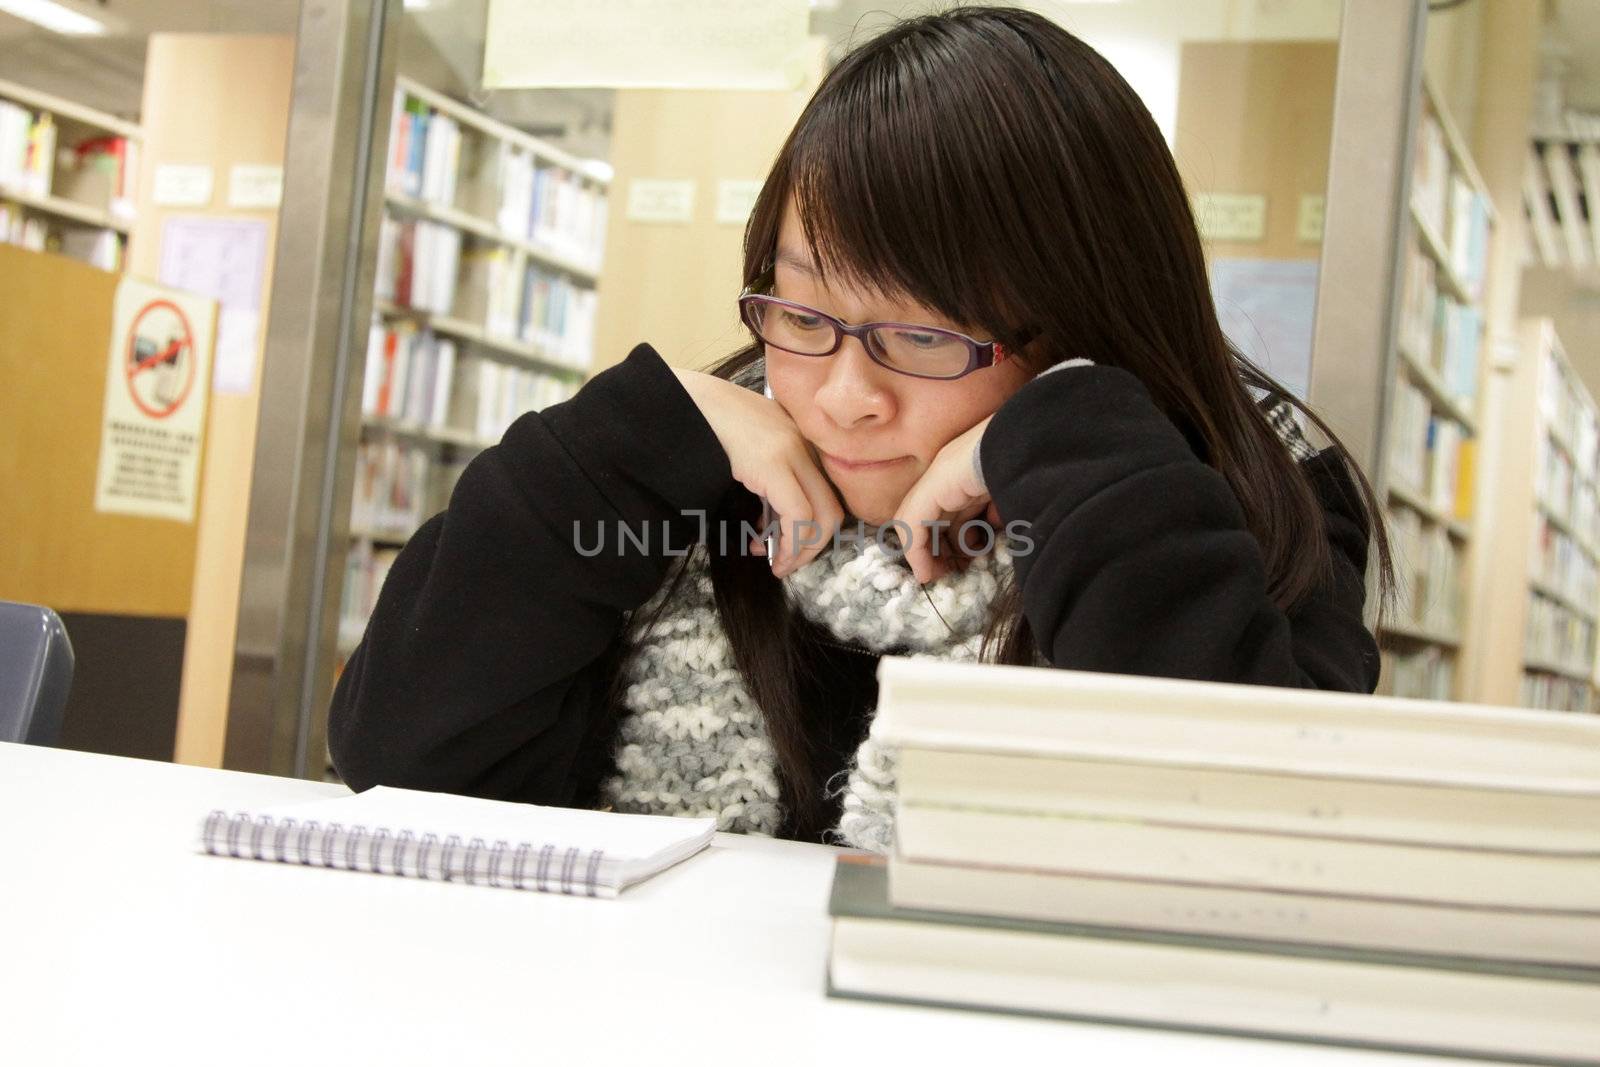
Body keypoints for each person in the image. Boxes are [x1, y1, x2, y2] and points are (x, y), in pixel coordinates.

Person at [329, 5, 1388, 850]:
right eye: (802, 312)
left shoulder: (1258, 491)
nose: (842, 396)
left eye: (924, 335)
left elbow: (1267, 849)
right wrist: (608, 450)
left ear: (1086, 326)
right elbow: (406, 770)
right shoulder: (700, 472)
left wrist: (1071, 456)